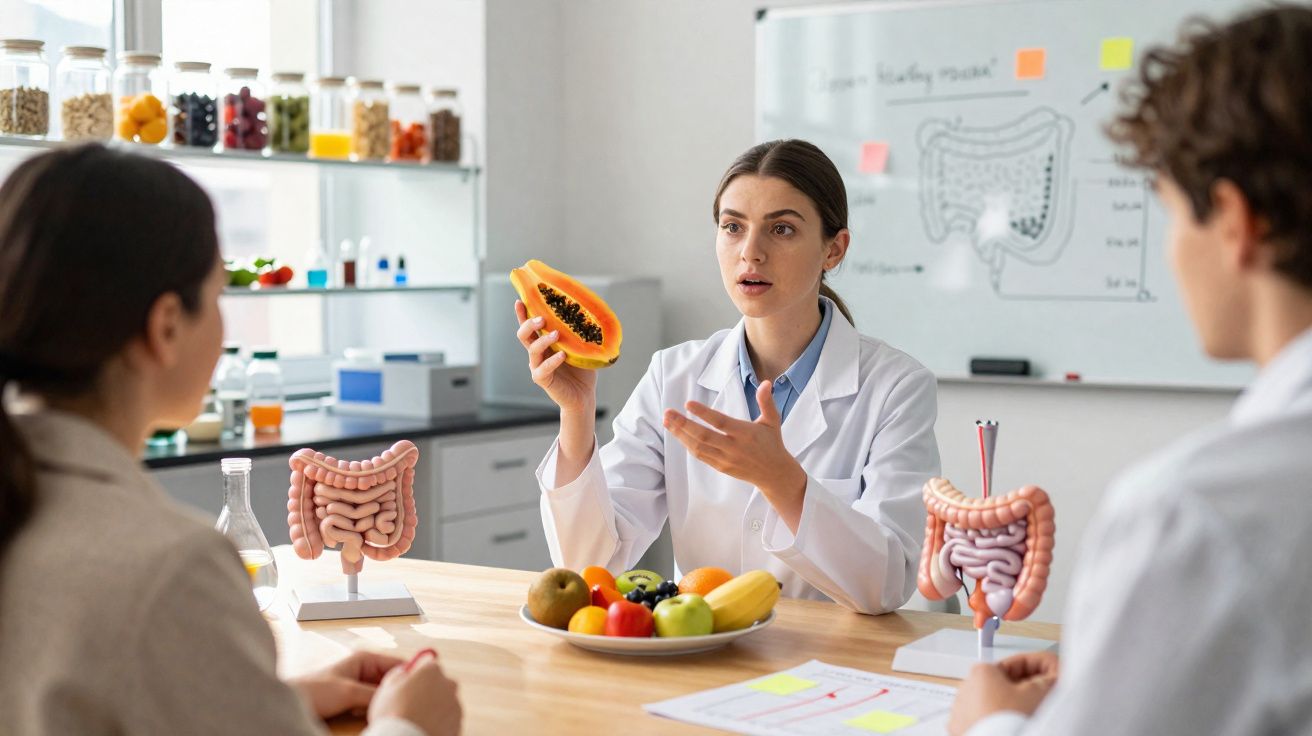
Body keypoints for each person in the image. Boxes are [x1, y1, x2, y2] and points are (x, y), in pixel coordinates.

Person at [0, 145, 461, 736]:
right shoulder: (174, 569)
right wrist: (407, 725)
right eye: (219, 296)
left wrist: (259, 702)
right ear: (166, 326)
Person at [950, 6, 1312, 734]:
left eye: (1173, 214)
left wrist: (986, 723)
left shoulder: (1193, 513)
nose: (1174, 251)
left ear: (1238, 224)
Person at [515, 139, 940, 613]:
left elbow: (886, 584)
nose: (751, 253)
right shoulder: (671, 376)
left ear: (834, 250)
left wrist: (784, 482)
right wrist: (576, 415)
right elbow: (588, 561)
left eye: (781, 229)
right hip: (700, 651)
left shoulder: (897, 388)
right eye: (733, 227)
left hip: (831, 664)